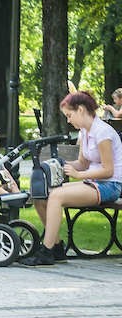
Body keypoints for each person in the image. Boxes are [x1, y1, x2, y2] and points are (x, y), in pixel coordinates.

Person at [21, 91, 122, 266]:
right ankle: (57, 248)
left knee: (56, 196)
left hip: (110, 185)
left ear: (81, 110)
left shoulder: (103, 132)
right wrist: (59, 165)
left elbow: (108, 170)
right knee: (41, 195)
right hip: (93, 183)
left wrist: (79, 175)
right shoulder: (85, 132)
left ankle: (46, 251)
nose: (68, 120)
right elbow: (82, 163)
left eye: (69, 115)